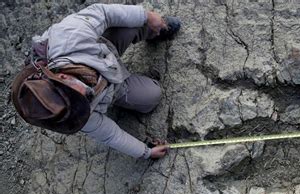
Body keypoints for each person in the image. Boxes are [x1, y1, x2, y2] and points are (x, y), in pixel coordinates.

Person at [10, 4, 181, 159]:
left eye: (80, 95)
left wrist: (148, 17)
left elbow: (104, 13)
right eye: (83, 105)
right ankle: (129, 84)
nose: (87, 99)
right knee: (152, 97)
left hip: (105, 48)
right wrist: (146, 152)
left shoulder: (69, 37)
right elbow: (111, 135)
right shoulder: (74, 115)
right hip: (112, 86)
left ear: (62, 77)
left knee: (131, 22)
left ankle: (154, 30)